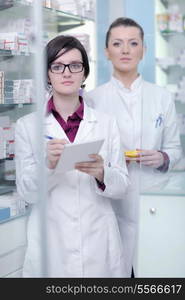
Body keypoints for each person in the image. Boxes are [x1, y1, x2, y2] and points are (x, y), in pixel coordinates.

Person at [15, 35, 130, 277]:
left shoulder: (106, 124)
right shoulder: (27, 126)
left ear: (84, 73)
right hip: (52, 244)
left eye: (75, 66)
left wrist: (102, 173)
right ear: (47, 74)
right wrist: (48, 166)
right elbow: (27, 192)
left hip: (98, 245)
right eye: (57, 66)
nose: (66, 73)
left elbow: (122, 187)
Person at [84, 17, 182, 276]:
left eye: (132, 43)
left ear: (143, 50)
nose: (125, 50)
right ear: (107, 51)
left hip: (154, 203)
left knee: (155, 272)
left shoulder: (161, 96)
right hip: (109, 207)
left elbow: (175, 149)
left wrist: (161, 157)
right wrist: (110, 161)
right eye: (117, 43)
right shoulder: (92, 99)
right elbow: (86, 154)